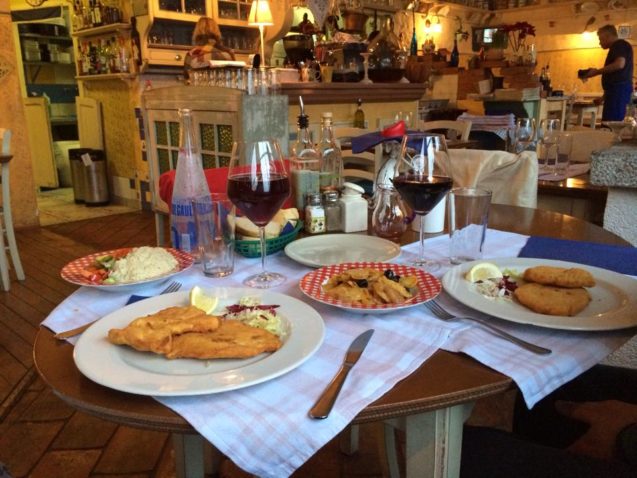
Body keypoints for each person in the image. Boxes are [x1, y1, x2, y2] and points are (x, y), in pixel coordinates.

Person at [582, 24, 634, 121]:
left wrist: (596, 72)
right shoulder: (619, 47)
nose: (599, 43)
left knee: (610, 126)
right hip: (615, 91)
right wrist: (603, 98)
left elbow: (619, 64)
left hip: (618, 92)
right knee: (609, 124)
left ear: (608, 36)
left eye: (601, 39)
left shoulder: (619, 45)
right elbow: (615, 77)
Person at [184, 17, 235, 81]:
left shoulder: (191, 54)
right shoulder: (228, 53)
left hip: (199, 90)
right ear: (217, 31)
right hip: (224, 90)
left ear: (196, 31)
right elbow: (234, 78)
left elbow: (187, 79)